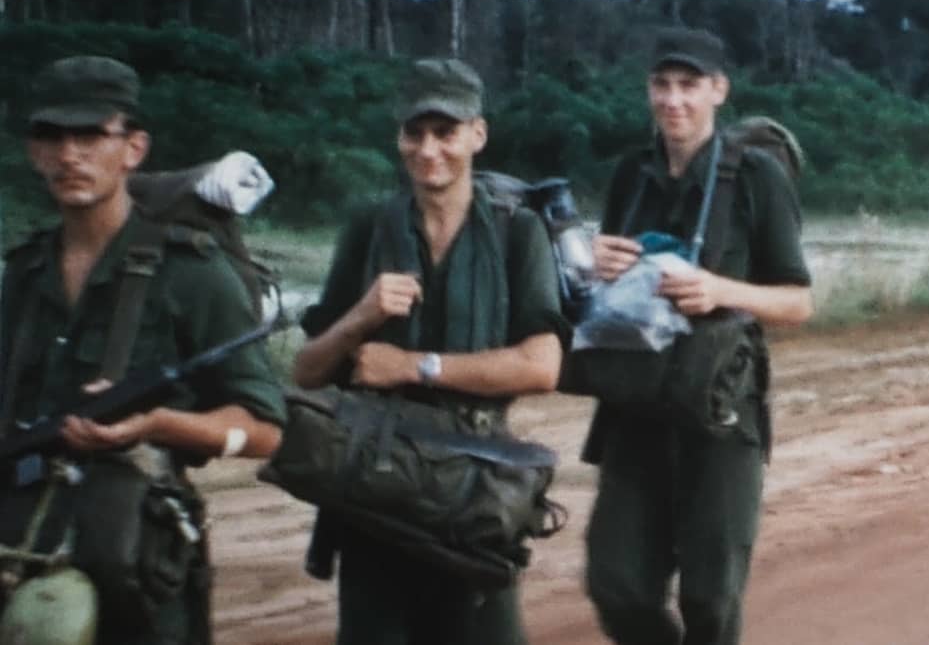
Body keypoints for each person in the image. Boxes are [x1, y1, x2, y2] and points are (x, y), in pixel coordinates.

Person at [1, 56, 285, 643]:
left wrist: (157, 423)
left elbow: (262, 428)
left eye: (90, 135)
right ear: (33, 152)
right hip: (23, 556)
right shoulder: (24, 274)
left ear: (133, 148)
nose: (69, 155)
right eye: (51, 137)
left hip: (136, 566)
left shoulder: (192, 274)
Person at [291, 58, 564, 645]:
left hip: (473, 491)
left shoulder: (518, 232)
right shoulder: (369, 225)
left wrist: (415, 366)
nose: (429, 149)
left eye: (446, 132)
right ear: (399, 137)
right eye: (415, 133)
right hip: (375, 488)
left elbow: (542, 366)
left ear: (477, 135)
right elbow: (307, 370)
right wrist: (360, 318)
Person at [583, 27, 814, 645]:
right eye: (661, 85)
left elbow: (797, 300)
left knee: (711, 598)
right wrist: (595, 265)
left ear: (719, 91)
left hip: (721, 411)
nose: (673, 100)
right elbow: (602, 300)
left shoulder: (757, 176)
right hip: (635, 407)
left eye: (689, 85)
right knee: (616, 585)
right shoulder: (630, 175)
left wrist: (720, 291)